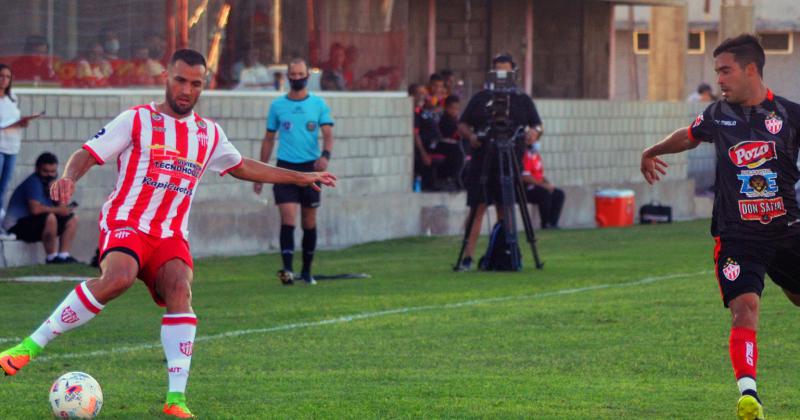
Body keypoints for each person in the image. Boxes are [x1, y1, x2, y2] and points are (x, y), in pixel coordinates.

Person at [0, 49, 336, 418]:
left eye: (196, 84)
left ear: (203, 86)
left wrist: (301, 176)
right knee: (118, 278)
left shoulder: (208, 134)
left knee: (180, 288)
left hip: (171, 234)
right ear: (166, 77)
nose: (186, 90)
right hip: (127, 221)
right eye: (180, 80)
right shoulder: (137, 119)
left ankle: (176, 400)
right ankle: (29, 347)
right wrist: (67, 178)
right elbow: (88, 153)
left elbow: (241, 166)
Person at [640, 34, 800, 420]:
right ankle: (749, 397)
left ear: (750, 70)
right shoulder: (717, 114)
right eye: (717, 72)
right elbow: (689, 136)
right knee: (745, 307)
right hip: (736, 235)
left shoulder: (790, 115)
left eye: (725, 71)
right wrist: (653, 150)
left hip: (788, 230)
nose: (720, 79)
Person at [456, 53, 543, 271]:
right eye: (498, 71)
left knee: (507, 209)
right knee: (478, 208)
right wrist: (472, 137)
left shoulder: (523, 100)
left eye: (506, 70)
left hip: (511, 159)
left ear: (514, 72)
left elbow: (538, 125)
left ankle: (507, 252)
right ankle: (467, 257)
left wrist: (534, 133)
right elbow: (463, 124)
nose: (502, 76)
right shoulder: (481, 98)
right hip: (483, 160)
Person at [253, 58, 334, 286]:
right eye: (293, 75)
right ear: (288, 77)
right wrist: (260, 172)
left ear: (308, 75)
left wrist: (325, 157)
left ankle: (307, 271)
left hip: (310, 169)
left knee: (309, 221)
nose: (297, 78)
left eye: (301, 74)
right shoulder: (278, 106)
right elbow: (268, 139)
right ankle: (287, 271)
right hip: (285, 167)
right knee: (288, 218)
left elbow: (328, 134)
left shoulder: (318, 104)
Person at [2, 152, 79, 263]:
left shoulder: (50, 183)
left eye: (53, 172)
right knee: (50, 217)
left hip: (36, 224)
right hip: (16, 228)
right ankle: (51, 257)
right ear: (37, 169)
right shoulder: (33, 182)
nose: (49, 175)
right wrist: (59, 210)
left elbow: (62, 209)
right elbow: (35, 209)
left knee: (72, 219)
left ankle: (63, 256)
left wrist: (55, 193)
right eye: (45, 171)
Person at [0, 64, 26, 228]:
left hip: (12, 146)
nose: (4, 80)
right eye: (1, 76)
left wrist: (22, 123)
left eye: (7, 77)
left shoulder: (12, 98)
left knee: (4, 186)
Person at [521, 142, 564, 229]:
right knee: (544, 193)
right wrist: (543, 185)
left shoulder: (536, 156)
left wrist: (548, 184)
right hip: (527, 188)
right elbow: (525, 176)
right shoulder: (525, 156)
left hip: (539, 185)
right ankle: (545, 223)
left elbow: (540, 175)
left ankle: (553, 223)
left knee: (559, 194)